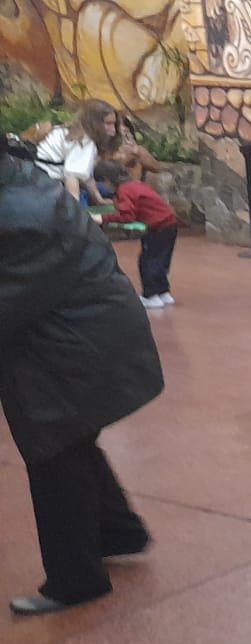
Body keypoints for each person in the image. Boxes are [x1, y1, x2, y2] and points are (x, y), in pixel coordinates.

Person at [1, 149, 163, 615]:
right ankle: (119, 531)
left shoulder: (17, 216)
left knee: (54, 452)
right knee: (71, 439)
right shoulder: (18, 181)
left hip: (72, 346)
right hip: (83, 332)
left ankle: (76, 580)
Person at [93, 160, 179, 310]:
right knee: (160, 260)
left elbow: (127, 216)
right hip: (169, 224)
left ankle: (151, 295)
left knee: (148, 261)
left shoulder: (124, 191)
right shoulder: (135, 185)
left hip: (157, 227)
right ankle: (163, 291)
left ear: (106, 180)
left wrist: (103, 219)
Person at [33, 99, 117, 206]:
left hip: (38, 176)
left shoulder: (71, 131)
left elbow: (86, 176)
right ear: (94, 123)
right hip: (44, 183)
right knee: (86, 196)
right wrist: (74, 208)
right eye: (108, 123)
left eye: (113, 124)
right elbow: (72, 176)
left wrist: (99, 199)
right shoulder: (84, 141)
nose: (113, 130)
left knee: (102, 190)